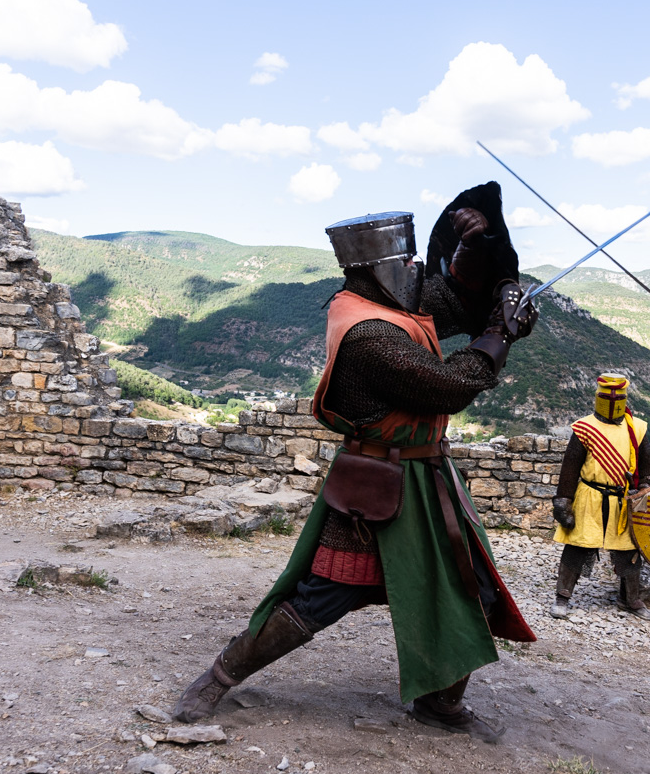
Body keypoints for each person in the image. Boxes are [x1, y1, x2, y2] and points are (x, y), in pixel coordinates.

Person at [173, 184, 537, 742]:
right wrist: (499, 333)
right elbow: (452, 385)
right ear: (373, 269)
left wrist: (477, 241)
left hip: (428, 480)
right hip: (378, 485)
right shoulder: (368, 332)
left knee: (470, 587)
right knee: (323, 594)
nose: (416, 268)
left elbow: (457, 299)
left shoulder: (388, 305)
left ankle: (440, 701)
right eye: (404, 260)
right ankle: (219, 677)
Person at [549, 372, 650, 620]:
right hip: (589, 496)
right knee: (578, 546)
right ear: (598, 396)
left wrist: (644, 487)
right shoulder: (584, 427)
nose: (612, 400)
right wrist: (563, 500)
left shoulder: (637, 428)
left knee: (628, 551)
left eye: (617, 396)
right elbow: (570, 467)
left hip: (623, 500)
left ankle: (630, 599)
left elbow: (646, 464)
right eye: (607, 396)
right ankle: (562, 597)